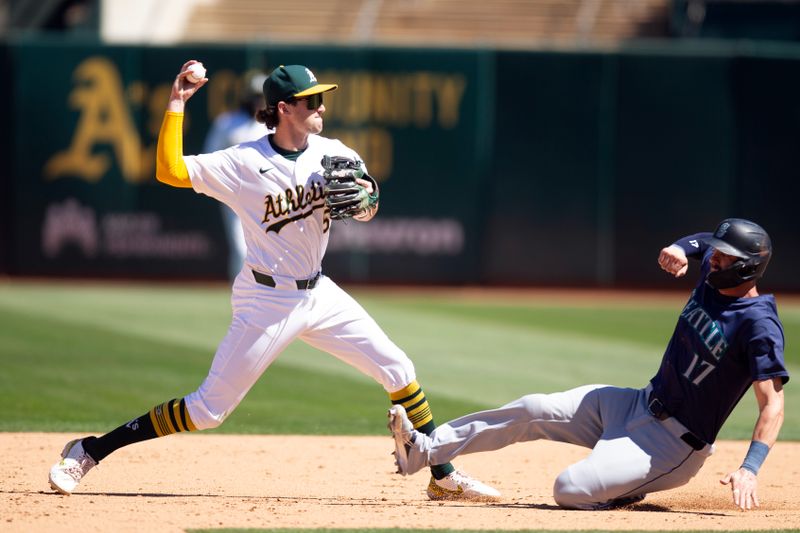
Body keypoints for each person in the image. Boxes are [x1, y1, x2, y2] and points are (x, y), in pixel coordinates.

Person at [48, 60, 498, 501]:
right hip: (265, 299)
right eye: (311, 100)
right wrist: (177, 102)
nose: (321, 106)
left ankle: (442, 473)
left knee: (398, 369)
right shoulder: (243, 162)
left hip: (319, 293)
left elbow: (367, 204)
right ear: (283, 108)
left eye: (321, 98)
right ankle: (89, 449)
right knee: (207, 411)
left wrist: (367, 202)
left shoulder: (334, 151)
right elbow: (169, 170)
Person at [389, 218, 787, 510]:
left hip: (671, 446)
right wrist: (682, 247)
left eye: (723, 257)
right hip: (634, 403)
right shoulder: (712, 276)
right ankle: (423, 451)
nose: (713, 259)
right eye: (716, 254)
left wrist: (750, 467)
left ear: (746, 266)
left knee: (569, 489)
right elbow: (701, 241)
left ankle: (624, 490)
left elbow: (773, 404)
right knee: (533, 408)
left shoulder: (758, 324)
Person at [203, 69, 269, 280]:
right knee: (242, 250)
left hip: (270, 196)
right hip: (236, 195)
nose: (258, 101)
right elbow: (209, 156)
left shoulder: (274, 124)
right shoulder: (227, 123)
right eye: (255, 96)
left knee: (270, 252)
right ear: (246, 97)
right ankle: (243, 299)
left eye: (262, 97)